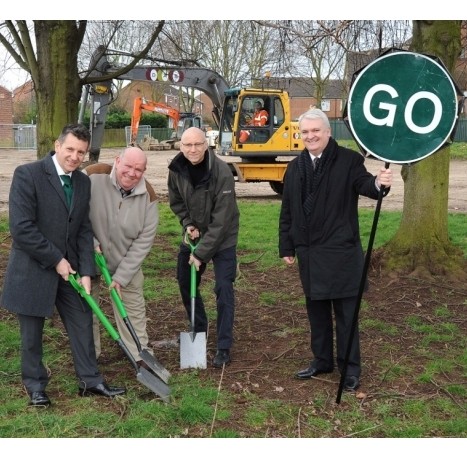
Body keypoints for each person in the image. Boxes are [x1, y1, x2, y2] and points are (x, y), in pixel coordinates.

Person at [0, 123, 126, 407]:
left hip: (70, 271)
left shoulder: (82, 182)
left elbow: (83, 228)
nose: (75, 156)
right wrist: (56, 259)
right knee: (32, 335)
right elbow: (21, 228)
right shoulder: (28, 175)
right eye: (70, 149)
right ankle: (35, 387)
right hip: (33, 269)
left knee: (82, 322)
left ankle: (90, 380)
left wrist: (86, 272)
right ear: (57, 146)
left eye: (81, 152)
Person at [278, 108, 393, 391]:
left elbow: (366, 185)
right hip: (309, 253)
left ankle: (350, 367)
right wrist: (286, 245)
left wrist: (380, 183)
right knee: (316, 311)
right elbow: (287, 211)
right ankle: (322, 360)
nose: (310, 136)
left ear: (328, 132)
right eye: (305, 132)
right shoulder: (295, 167)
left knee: (346, 315)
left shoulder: (349, 160)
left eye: (316, 130)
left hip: (341, 252)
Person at [168, 127, 240, 368]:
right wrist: (188, 223)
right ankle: (199, 330)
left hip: (223, 238)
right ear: (181, 146)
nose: (193, 150)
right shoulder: (176, 169)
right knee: (184, 281)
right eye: (188, 145)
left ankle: (223, 345)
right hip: (195, 235)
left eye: (198, 144)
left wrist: (200, 254)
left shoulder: (221, 171)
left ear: (206, 144)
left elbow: (222, 219)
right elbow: (176, 201)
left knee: (223, 288)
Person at [84, 147, 158, 368]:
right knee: (86, 310)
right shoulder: (92, 176)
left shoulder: (149, 197)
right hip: (88, 258)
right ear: (118, 161)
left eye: (138, 169)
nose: (132, 173)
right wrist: (89, 242)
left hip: (125, 263)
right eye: (128, 166)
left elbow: (143, 241)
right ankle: (89, 357)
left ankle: (140, 356)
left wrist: (122, 276)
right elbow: (73, 214)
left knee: (133, 310)